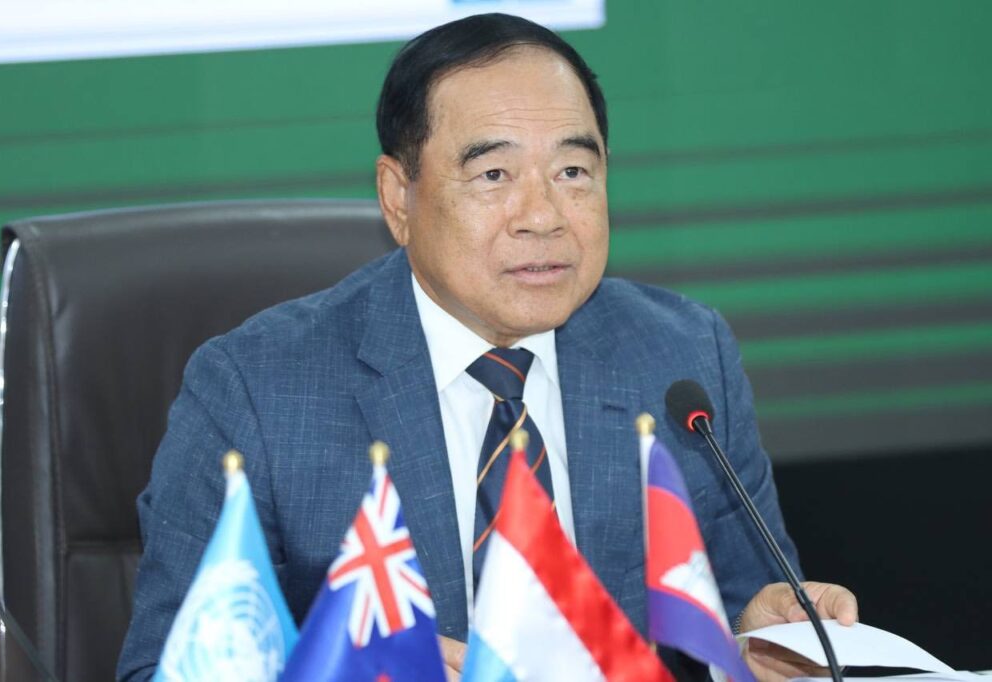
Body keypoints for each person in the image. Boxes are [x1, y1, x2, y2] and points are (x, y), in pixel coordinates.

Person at [118, 13, 857, 682]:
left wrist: (760, 643)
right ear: (398, 198)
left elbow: (741, 605)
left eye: (572, 172)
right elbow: (163, 669)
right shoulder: (256, 390)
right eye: (494, 174)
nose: (543, 216)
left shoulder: (680, 358)